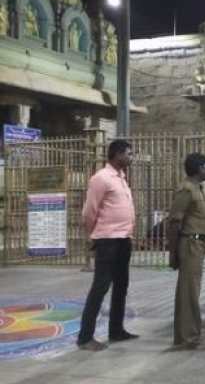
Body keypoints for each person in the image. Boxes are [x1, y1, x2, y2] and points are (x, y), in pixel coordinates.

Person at [77, 140, 137, 351]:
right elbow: (89, 211)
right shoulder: (101, 178)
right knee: (100, 287)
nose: (131, 157)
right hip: (107, 240)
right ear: (117, 154)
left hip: (123, 239)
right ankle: (85, 338)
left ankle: (116, 329)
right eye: (129, 154)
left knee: (121, 285)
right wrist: (94, 235)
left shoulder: (121, 178)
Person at [167, 153, 205, 349]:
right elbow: (174, 222)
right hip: (190, 244)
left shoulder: (199, 188)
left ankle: (188, 335)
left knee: (191, 290)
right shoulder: (186, 189)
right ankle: (188, 337)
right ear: (197, 168)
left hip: (199, 244)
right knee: (189, 292)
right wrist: (173, 252)